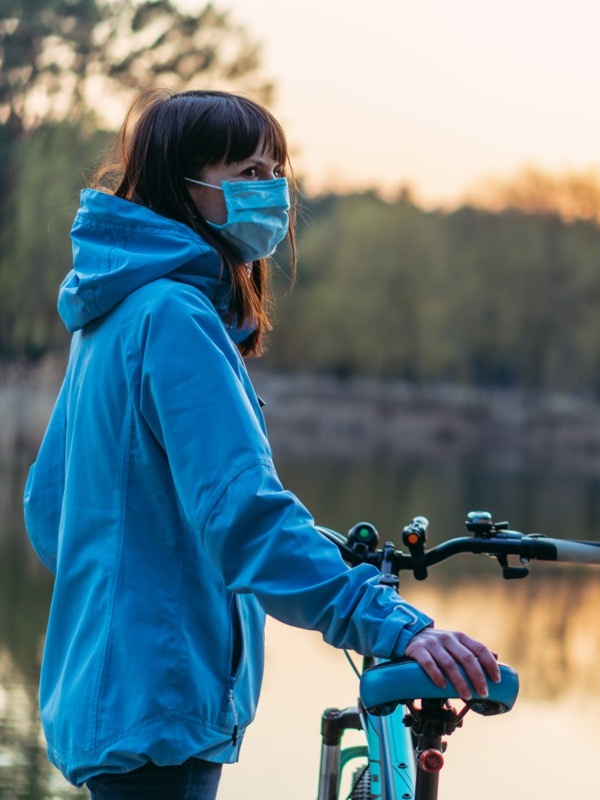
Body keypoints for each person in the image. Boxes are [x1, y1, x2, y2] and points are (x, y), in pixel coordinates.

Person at [22, 88, 499, 800]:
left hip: (113, 698)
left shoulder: (114, 312)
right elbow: (242, 515)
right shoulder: (175, 317)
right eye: (245, 173)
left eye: (275, 170)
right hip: (161, 703)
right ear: (180, 185)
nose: (270, 191)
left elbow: (48, 510)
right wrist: (390, 625)